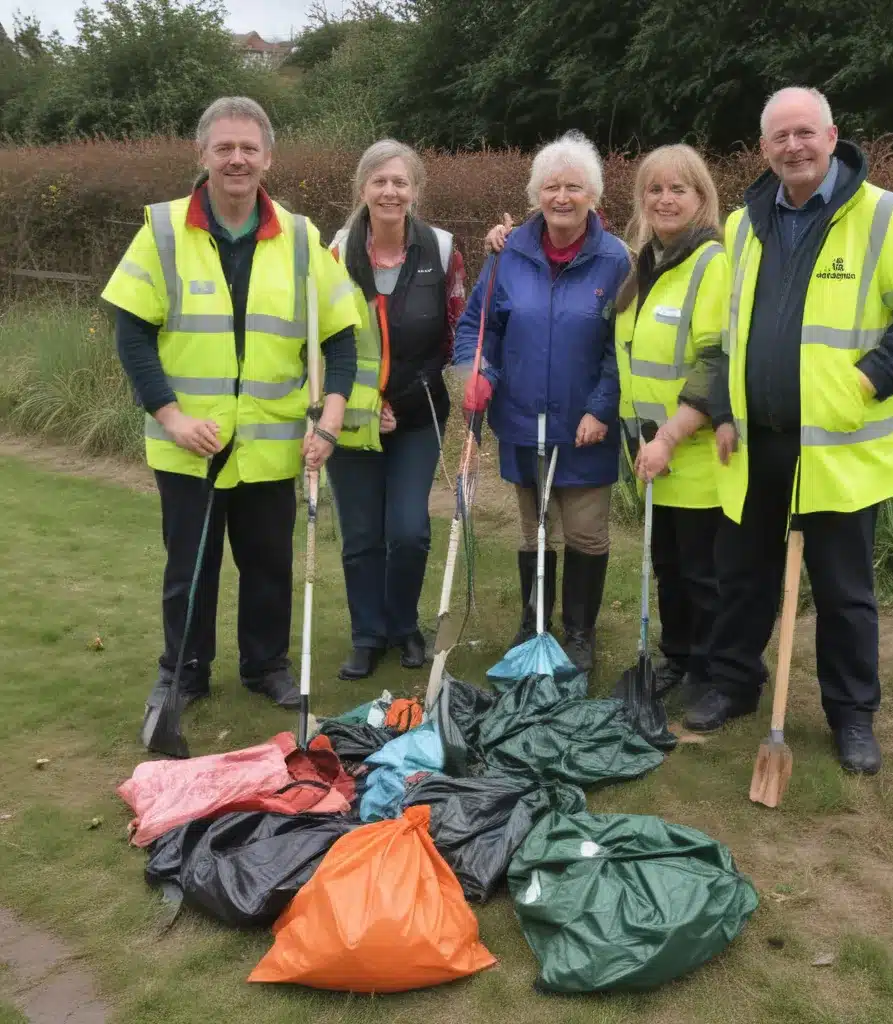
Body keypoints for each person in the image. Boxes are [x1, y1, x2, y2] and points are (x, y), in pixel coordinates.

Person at [678, 86, 893, 773]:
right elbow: (727, 334)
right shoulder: (743, 225)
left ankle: (852, 715)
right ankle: (735, 685)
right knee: (741, 574)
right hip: (754, 440)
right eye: (780, 137)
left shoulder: (882, 215)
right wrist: (722, 412)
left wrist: (866, 380)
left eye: (805, 133)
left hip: (838, 446)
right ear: (764, 147)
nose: (793, 147)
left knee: (843, 591)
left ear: (832, 138)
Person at [101, 96, 368, 718]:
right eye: (224, 148)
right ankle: (184, 674)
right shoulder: (163, 230)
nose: (237, 159)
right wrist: (171, 416)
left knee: (269, 567)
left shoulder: (302, 240)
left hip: (273, 447)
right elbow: (132, 333)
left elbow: (341, 338)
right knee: (189, 570)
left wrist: (329, 423)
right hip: (188, 444)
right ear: (203, 155)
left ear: (268, 158)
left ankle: (266, 667)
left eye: (249, 148)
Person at [456, 130, 631, 672]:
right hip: (521, 419)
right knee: (534, 529)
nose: (561, 197)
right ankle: (533, 625)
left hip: (586, 426)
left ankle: (579, 633)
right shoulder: (507, 256)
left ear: (593, 195)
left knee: (584, 531)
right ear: (537, 194)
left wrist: (602, 408)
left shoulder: (616, 260)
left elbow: (622, 346)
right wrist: (477, 371)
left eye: (573, 187)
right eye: (551, 186)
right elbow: (475, 327)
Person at [325, 139, 467, 681]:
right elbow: (325, 343)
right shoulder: (333, 256)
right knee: (361, 533)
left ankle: (405, 625)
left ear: (415, 190)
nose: (389, 191)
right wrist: (363, 406)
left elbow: (455, 335)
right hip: (351, 418)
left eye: (399, 182)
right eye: (379, 181)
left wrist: (405, 399)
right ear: (363, 188)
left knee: (408, 530)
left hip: (418, 415)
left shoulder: (443, 250)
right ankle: (367, 635)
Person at [611, 144, 729, 702]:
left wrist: (668, 438)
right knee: (669, 569)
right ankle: (678, 657)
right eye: (654, 189)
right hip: (655, 456)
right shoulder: (646, 265)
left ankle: (712, 672)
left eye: (678, 188)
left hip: (696, 455)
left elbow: (715, 362)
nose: (665, 199)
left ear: (701, 198)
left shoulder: (711, 262)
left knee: (704, 576)